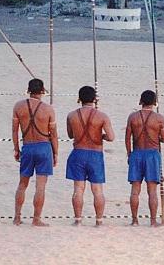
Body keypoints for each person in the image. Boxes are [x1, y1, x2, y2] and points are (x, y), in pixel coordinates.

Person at [66, 86, 115, 227]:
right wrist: (101, 136)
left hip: (78, 152)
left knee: (78, 189)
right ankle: (99, 221)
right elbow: (111, 137)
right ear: (94, 99)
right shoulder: (102, 116)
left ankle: (78, 220)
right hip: (95, 154)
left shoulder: (71, 115)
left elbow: (70, 135)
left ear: (79, 99)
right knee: (97, 190)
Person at [12, 79, 58, 227]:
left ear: (29, 90)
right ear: (42, 91)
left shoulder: (18, 106)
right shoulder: (48, 109)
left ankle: (17, 217)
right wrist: (56, 153)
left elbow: (14, 130)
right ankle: (36, 218)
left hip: (28, 146)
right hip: (44, 147)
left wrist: (16, 148)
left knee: (22, 184)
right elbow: (54, 134)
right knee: (40, 186)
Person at [125, 90, 164, 227]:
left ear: (141, 101)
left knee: (135, 190)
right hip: (152, 155)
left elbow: (127, 138)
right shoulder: (159, 118)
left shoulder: (132, 117)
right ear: (154, 103)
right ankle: (153, 221)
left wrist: (129, 153)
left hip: (137, 153)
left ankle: (134, 220)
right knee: (152, 191)